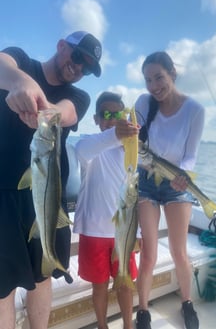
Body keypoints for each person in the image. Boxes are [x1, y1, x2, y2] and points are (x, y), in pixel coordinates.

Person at [0, 30, 102, 329]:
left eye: (87, 68)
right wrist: (20, 82)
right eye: (78, 57)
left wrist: (47, 110)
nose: (79, 68)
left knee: (42, 278)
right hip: (3, 196)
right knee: (3, 286)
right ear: (61, 46)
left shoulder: (78, 96)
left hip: (47, 197)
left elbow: (65, 113)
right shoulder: (20, 60)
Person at [135, 51, 205, 329]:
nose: (154, 85)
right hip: (147, 180)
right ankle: (143, 311)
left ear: (172, 73)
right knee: (149, 253)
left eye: (159, 77)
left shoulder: (195, 110)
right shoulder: (143, 102)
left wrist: (183, 175)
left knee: (179, 251)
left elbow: (190, 156)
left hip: (177, 182)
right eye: (148, 79)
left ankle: (187, 302)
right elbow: (134, 140)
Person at [73, 91, 139, 329]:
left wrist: (137, 233)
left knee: (125, 284)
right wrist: (115, 134)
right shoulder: (90, 144)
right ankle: (102, 326)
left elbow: (134, 195)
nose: (112, 118)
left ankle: (128, 326)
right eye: (106, 114)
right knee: (99, 286)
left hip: (124, 231)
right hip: (93, 233)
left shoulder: (131, 150)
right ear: (96, 118)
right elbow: (82, 151)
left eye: (117, 114)